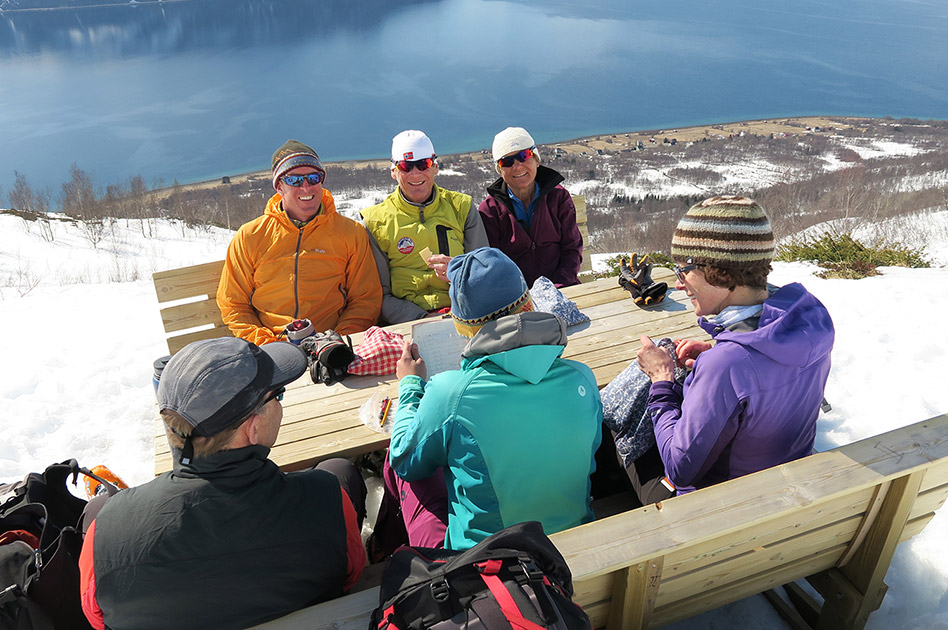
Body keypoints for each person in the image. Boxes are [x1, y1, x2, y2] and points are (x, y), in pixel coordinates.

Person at [78, 337, 367, 630]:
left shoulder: (104, 536)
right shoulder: (326, 498)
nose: (281, 403)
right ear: (252, 428)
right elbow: (351, 574)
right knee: (339, 469)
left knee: (98, 507)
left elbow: (98, 619)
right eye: (277, 395)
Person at [387, 247, 602, 550]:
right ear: (529, 305)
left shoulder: (449, 393)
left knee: (406, 455)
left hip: (490, 567)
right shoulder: (582, 377)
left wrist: (410, 385)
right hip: (575, 547)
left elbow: (405, 461)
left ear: (462, 328)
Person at [632, 195, 834, 503]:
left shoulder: (727, 364)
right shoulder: (810, 319)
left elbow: (680, 469)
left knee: (624, 442)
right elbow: (762, 374)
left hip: (733, 511)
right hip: (791, 487)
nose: (678, 284)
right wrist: (716, 353)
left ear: (722, 274)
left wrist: (661, 379)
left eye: (683, 270)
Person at [217, 139, 381, 345]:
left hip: (331, 343)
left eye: (313, 178)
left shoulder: (349, 233)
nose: (306, 187)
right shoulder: (250, 236)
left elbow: (365, 299)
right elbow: (233, 304)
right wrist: (267, 345)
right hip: (272, 346)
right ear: (279, 186)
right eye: (294, 180)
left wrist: (337, 340)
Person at [361, 130, 489, 324]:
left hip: (463, 312)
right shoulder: (374, 222)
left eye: (423, 164)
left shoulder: (461, 208)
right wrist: (420, 318)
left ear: (435, 167)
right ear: (394, 172)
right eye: (406, 167)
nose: (415, 173)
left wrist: (458, 274)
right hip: (405, 321)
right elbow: (379, 294)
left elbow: (484, 273)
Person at [478, 127, 583, 288]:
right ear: (499, 170)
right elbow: (493, 265)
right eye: (506, 162)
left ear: (536, 160)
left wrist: (558, 286)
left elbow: (572, 249)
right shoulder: (490, 210)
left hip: (563, 288)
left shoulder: (558, 197)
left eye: (523, 156)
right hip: (517, 297)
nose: (517, 166)